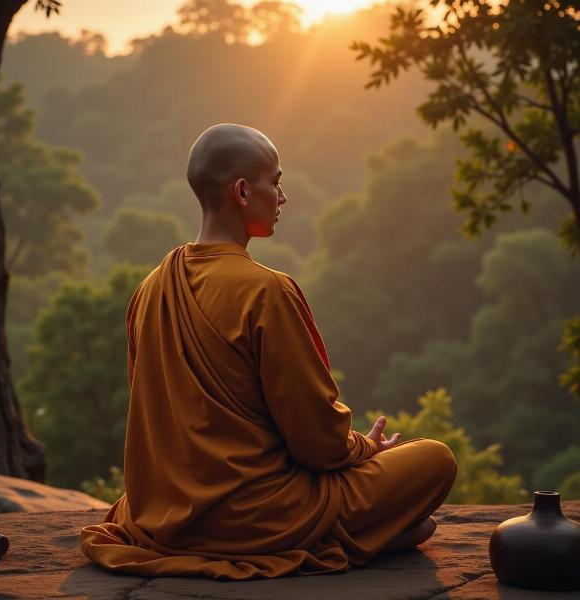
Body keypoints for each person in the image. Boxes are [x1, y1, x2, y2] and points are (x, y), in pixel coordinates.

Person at [79, 123, 457, 580]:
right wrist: (367, 447)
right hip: (260, 516)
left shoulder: (150, 289)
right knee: (435, 459)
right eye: (275, 183)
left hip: (162, 517)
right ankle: (339, 538)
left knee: (412, 512)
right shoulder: (267, 291)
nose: (282, 198)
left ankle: (361, 535)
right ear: (242, 191)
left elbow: (158, 425)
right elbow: (317, 443)